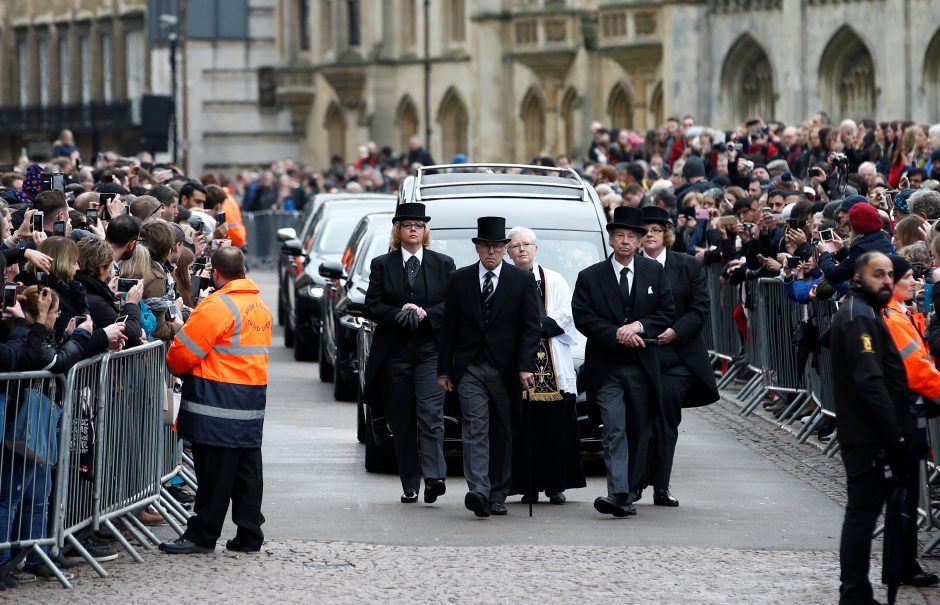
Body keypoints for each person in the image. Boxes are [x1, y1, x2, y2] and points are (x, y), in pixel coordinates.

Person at [160, 247, 272, 554]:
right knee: (246, 473)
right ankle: (249, 533)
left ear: (216, 273)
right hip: (250, 402)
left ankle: (202, 534)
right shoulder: (259, 305)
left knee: (213, 475)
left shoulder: (216, 306)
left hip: (217, 402)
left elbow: (182, 355)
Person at [572, 205, 674, 518]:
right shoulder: (590, 277)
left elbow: (666, 312)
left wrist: (639, 326)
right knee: (613, 427)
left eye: (631, 236)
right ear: (611, 239)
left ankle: (630, 489)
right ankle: (617, 493)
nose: (626, 241)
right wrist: (616, 333)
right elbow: (583, 317)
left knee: (638, 428)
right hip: (607, 365)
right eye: (620, 236)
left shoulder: (654, 272)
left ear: (641, 241)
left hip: (642, 365)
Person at [830, 251, 920, 603]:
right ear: (858, 277)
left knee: (864, 514)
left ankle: (857, 590)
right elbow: (870, 381)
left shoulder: (864, 312)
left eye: (888, 275)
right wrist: (894, 436)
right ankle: (855, 592)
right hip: (869, 436)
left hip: (872, 433)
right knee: (862, 515)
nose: (885, 280)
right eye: (877, 275)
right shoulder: (859, 317)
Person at [437, 216, 541, 518]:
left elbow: (530, 327)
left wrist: (525, 366)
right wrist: (444, 370)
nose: (492, 252)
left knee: (502, 430)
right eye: (486, 246)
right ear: (478, 248)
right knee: (474, 428)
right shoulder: (460, 279)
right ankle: (478, 491)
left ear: (504, 248)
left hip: (506, 369)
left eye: (497, 246)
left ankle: (498, 492)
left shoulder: (521, 280)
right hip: (470, 367)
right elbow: (449, 328)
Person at [362, 202, 456, 504]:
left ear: (425, 231)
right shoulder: (382, 264)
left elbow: (454, 306)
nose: (413, 229)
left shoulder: (443, 264)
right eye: (407, 225)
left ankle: (434, 477)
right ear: (398, 231)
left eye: (418, 225)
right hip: (394, 355)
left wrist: (427, 313)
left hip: (430, 352)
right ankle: (410, 483)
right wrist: (397, 313)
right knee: (401, 421)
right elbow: (372, 305)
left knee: (431, 416)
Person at [637, 206, 718, 507]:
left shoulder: (686, 266)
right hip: (640, 355)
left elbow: (700, 307)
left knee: (665, 423)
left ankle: (660, 485)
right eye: (644, 231)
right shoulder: (630, 266)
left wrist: (675, 331)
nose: (649, 236)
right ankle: (633, 485)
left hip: (676, 358)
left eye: (655, 231)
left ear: (666, 235)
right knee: (640, 422)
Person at [505, 226, 585, 505]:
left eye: (527, 244)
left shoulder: (554, 279)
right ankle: (528, 486)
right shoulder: (505, 280)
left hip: (552, 358)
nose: (522, 250)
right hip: (518, 363)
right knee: (524, 429)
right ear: (508, 251)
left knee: (555, 429)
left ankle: (555, 485)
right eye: (516, 246)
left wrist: (536, 326)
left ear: (536, 248)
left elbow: (568, 313)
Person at [878, 255, 940, 589]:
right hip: (904, 413)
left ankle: (903, 562)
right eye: (909, 277)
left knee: (905, 493)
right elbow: (917, 370)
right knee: (903, 494)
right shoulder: (894, 318)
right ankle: (901, 564)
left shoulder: (899, 314)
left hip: (905, 411)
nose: (916, 281)